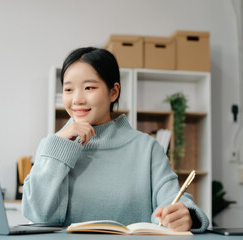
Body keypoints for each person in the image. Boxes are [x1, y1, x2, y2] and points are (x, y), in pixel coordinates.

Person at [22, 47, 209, 233]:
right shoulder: (52, 146)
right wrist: (58, 147)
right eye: (68, 89)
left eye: (89, 88)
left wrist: (184, 216)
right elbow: (38, 215)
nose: (77, 99)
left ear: (113, 92)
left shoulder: (147, 148)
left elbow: (171, 199)